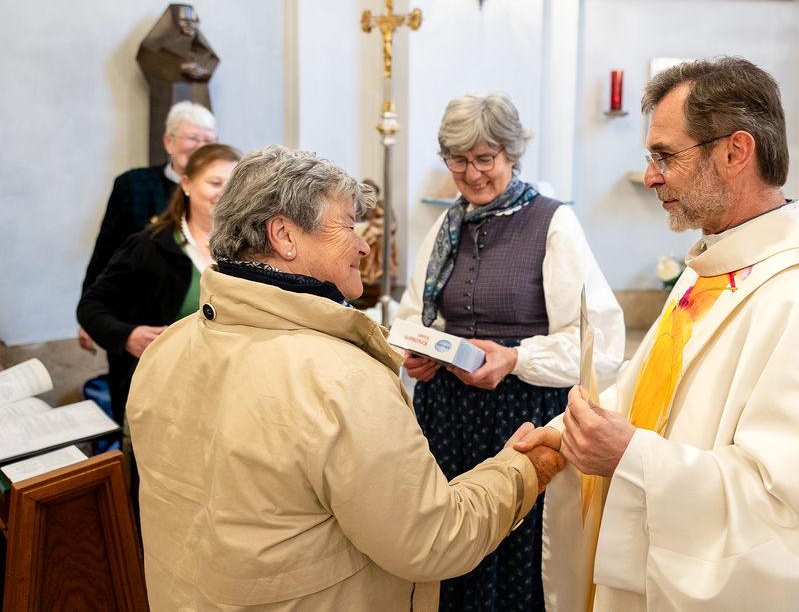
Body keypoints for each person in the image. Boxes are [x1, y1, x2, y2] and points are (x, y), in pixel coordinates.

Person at [126, 145, 565, 611]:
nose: (364, 245)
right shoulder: (342, 381)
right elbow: (434, 540)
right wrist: (524, 470)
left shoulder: (166, 348)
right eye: (348, 226)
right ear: (285, 236)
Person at [529, 57, 799, 611]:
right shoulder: (713, 265)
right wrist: (565, 433)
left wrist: (632, 458)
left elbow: (787, 514)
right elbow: (647, 391)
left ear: (735, 152)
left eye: (665, 156)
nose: (651, 176)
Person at [396, 92, 625, 611]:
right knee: (448, 549)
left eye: (485, 158)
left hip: (520, 420)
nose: (472, 173)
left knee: (514, 560)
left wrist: (515, 358)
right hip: (447, 420)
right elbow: (414, 315)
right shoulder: (446, 226)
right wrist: (419, 350)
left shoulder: (552, 223)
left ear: (512, 154)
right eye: (458, 160)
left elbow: (600, 344)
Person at [77, 143, 240, 423]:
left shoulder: (249, 250)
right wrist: (126, 335)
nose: (224, 192)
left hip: (230, 395)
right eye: (215, 183)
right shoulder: (150, 246)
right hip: (164, 399)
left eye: (233, 184)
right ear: (186, 184)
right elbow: (91, 305)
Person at [78, 100, 217, 352]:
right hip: (137, 321)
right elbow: (105, 252)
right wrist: (96, 322)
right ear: (168, 142)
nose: (200, 147)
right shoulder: (133, 185)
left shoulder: (221, 198)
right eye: (192, 138)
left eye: (208, 140)